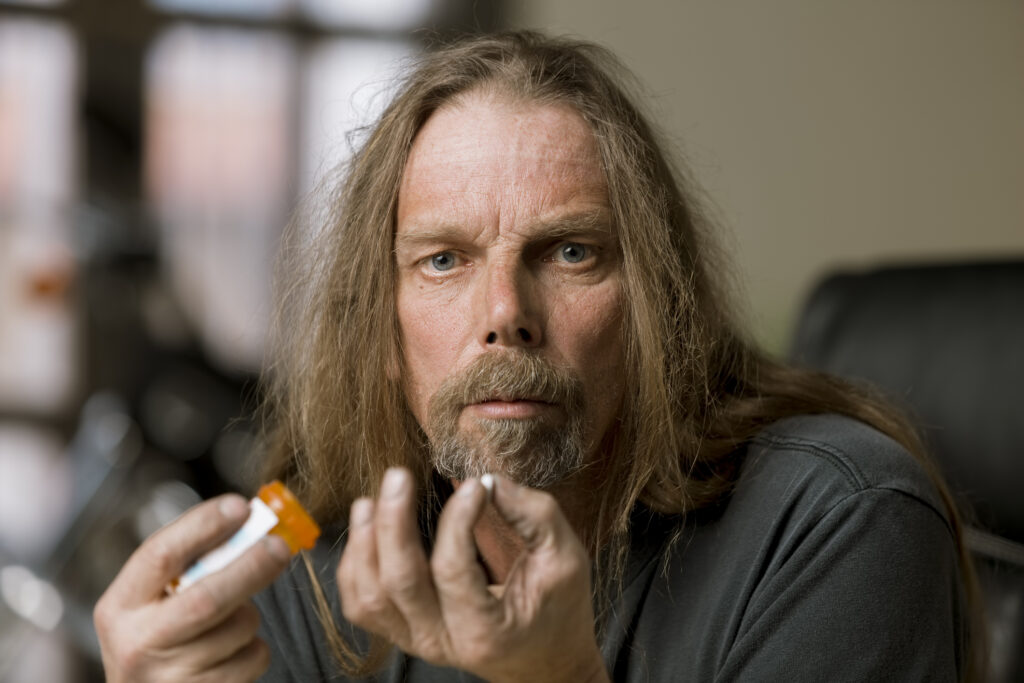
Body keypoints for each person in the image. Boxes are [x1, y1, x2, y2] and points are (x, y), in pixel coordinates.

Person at [94, 31, 979, 682]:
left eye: (570, 253)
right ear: (384, 333)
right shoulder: (321, 566)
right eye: (443, 260)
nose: (505, 315)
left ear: (655, 309)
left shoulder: (844, 522)